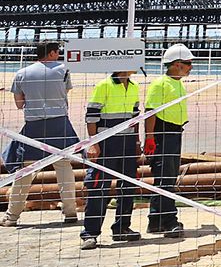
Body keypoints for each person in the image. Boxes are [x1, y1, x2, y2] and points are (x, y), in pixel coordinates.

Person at [3, 42, 80, 227]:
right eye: (58, 52)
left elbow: (19, 104)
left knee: (25, 172)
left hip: (34, 125)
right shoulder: (64, 70)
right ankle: (70, 212)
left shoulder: (22, 73)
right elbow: (66, 91)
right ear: (52, 53)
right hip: (59, 123)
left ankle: (12, 216)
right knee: (64, 169)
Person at [79, 68, 143, 249]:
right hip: (106, 142)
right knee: (99, 185)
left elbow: (135, 116)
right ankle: (90, 233)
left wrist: (137, 142)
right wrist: (93, 143)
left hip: (128, 143)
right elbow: (91, 117)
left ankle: (122, 228)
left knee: (128, 184)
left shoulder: (133, 86)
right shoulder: (104, 86)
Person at [144, 44, 193, 238]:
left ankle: (156, 221)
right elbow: (150, 111)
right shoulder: (160, 84)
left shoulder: (177, 83)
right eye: (188, 63)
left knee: (168, 177)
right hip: (163, 133)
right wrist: (149, 137)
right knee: (165, 178)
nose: (191, 67)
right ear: (176, 65)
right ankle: (168, 221)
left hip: (174, 132)